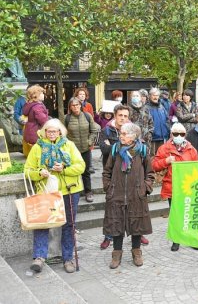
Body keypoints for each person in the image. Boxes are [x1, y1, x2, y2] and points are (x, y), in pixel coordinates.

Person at [25, 119, 85, 274]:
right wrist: (39, 173)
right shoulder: (37, 148)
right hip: (46, 191)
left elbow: (81, 166)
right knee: (42, 224)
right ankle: (39, 257)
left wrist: (64, 169)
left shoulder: (69, 145)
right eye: (49, 131)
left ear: (60, 132)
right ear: (44, 132)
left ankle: (67, 258)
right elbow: (28, 170)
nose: (51, 134)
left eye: (55, 131)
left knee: (69, 225)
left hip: (69, 190)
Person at [102, 123, 154, 269]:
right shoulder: (115, 150)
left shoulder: (142, 150)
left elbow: (150, 173)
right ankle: (116, 253)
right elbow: (107, 171)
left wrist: (145, 188)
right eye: (121, 133)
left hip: (136, 194)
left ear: (133, 136)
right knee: (116, 223)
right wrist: (108, 187)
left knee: (136, 223)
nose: (121, 136)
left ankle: (136, 252)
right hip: (116, 193)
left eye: (124, 134)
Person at [100, 104, 145, 250]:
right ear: (115, 115)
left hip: (133, 182)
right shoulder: (107, 130)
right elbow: (104, 148)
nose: (123, 118)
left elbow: (143, 155)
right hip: (115, 177)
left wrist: (146, 187)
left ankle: (136, 237)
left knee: (134, 212)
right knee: (114, 215)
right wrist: (107, 186)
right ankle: (109, 238)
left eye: (126, 116)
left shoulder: (136, 137)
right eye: (121, 115)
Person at [152, 123, 198, 252]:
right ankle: (176, 239)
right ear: (171, 134)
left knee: (189, 213)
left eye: (182, 134)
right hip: (171, 186)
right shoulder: (164, 148)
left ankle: (190, 238)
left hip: (188, 186)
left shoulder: (191, 149)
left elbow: (197, 168)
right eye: (176, 133)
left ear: (185, 135)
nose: (179, 136)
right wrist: (165, 161)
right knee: (175, 213)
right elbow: (154, 165)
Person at [65, 97, 100, 203]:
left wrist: (90, 141)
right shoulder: (67, 118)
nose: (75, 107)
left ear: (80, 105)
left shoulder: (87, 116)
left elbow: (94, 130)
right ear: (70, 107)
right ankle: (75, 191)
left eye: (77, 105)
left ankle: (88, 192)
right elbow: (63, 134)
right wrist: (68, 146)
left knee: (86, 171)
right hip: (72, 150)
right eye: (73, 105)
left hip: (85, 148)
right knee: (73, 171)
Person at [22, 85, 49, 157]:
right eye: (42, 93)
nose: (43, 95)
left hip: (30, 131)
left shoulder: (30, 105)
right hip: (37, 133)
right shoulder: (38, 107)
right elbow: (43, 121)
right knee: (39, 156)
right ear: (36, 95)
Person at [146, 88, 171, 155]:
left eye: (157, 95)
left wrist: (168, 130)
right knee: (152, 158)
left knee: (162, 157)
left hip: (163, 138)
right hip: (152, 139)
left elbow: (167, 120)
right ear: (149, 96)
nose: (155, 97)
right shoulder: (146, 108)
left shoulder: (162, 107)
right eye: (153, 95)